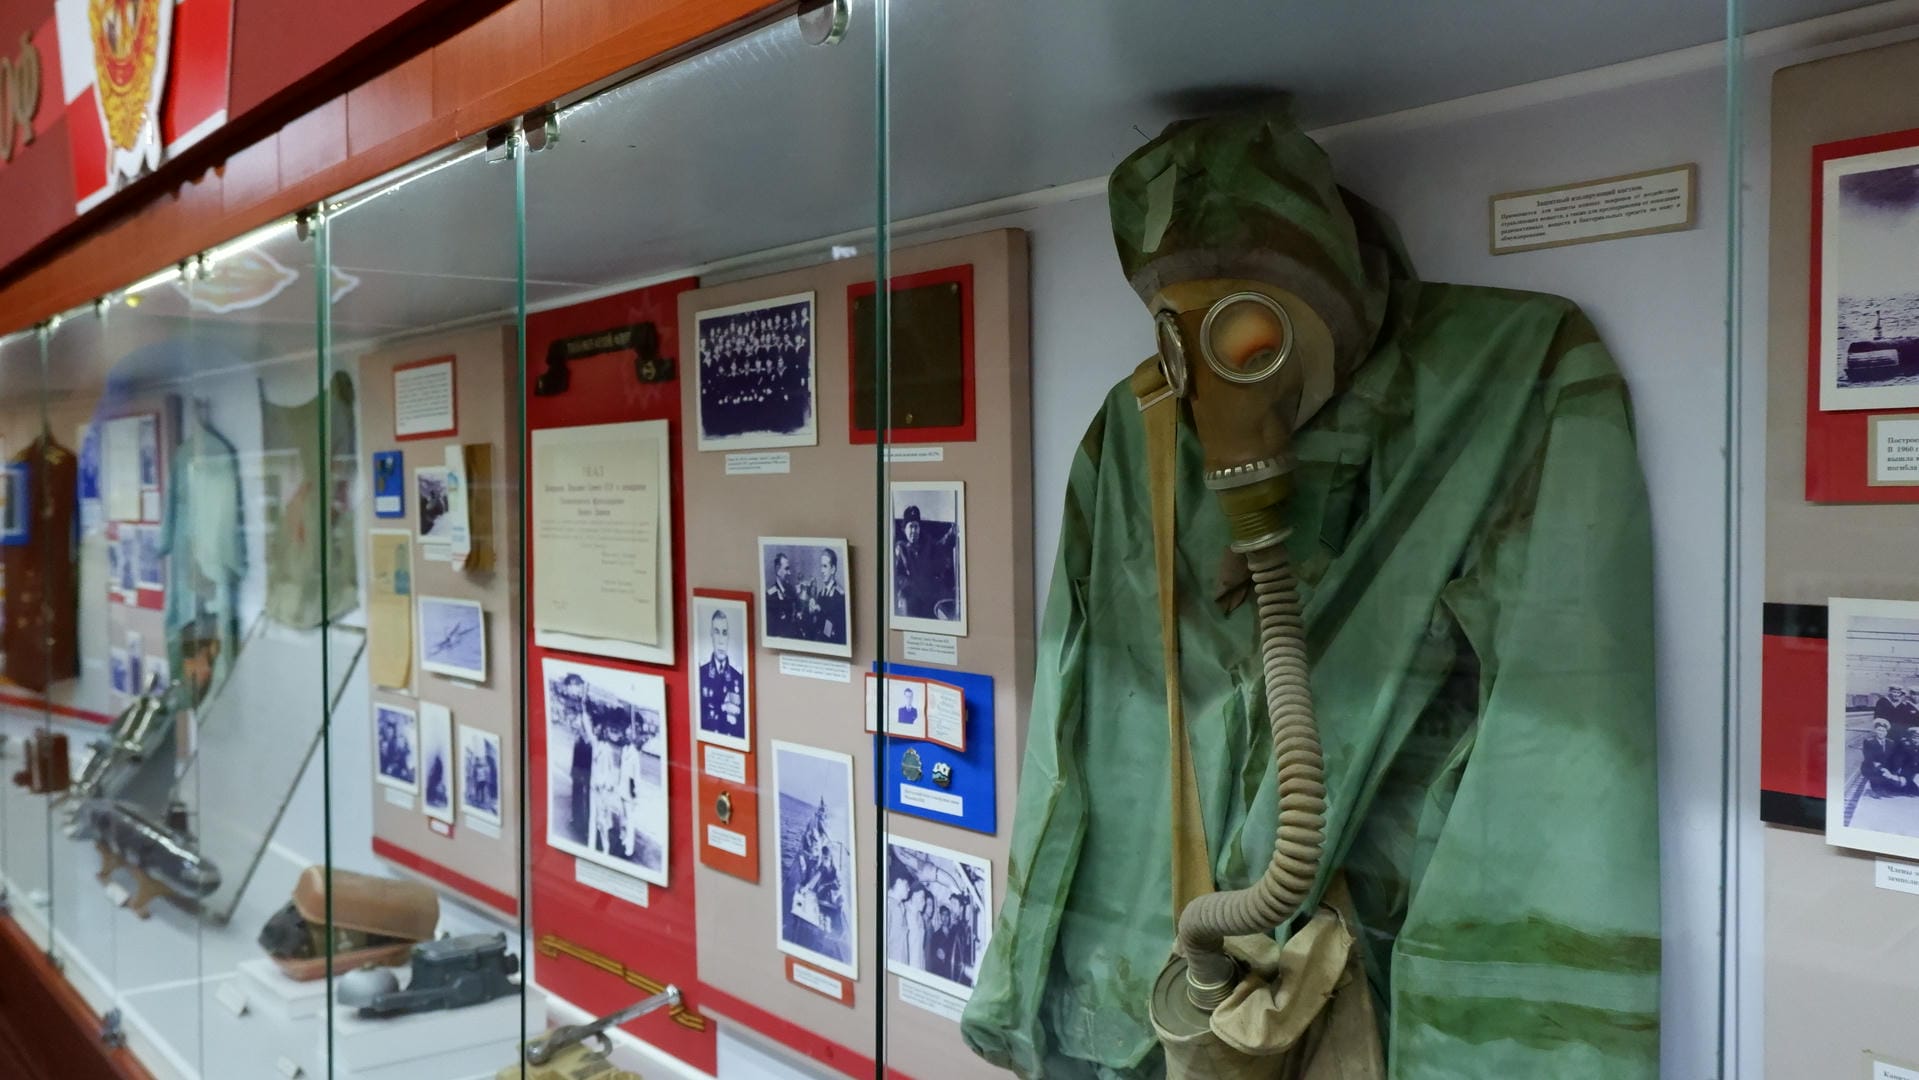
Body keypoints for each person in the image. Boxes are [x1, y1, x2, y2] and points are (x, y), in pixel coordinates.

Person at [894, 504, 956, 620]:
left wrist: (952, 532)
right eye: (911, 526)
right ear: (905, 529)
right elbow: (898, 576)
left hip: (930, 601)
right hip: (911, 603)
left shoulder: (928, 544)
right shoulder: (901, 549)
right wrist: (911, 588)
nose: (914, 530)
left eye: (916, 526)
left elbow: (942, 546)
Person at [700, 610, 745, 740]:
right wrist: (722, 707)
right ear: (711, 635)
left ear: (728, 637)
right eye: (717, 632)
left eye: (724, 633)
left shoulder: (739, 678)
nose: (721, 641)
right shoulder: (700, 674)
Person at [620, 718, 649, 861]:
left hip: (630, 792)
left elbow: (637, 777)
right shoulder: (624, 750)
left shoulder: (634, 754)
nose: (626, 736)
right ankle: (624, 840)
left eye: (628, 735)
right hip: (622, 789)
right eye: (626, 734)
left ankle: (629, 848)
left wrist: (636, 794)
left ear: (632, 737)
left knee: (630, 820)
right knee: (624, 818)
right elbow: (622, 772)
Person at [807, 548, 847, 645]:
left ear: (833, 569)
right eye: (821, 566)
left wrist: (820, 611)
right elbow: (815, 626)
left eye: (825, 566)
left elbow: (833, 631)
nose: (821, 571)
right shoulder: (821, 594)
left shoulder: (840, 595)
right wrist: (811, 613)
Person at [590, 721, 618, 854]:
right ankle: (602, 840)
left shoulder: (607, 749)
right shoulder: (596, 746)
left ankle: (606, 845)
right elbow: (594, 767)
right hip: (596, 785)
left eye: (598, 730)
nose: (596, 731)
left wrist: (610, 783)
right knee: (599, 816)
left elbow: (611, 768)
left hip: (605, 786)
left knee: (603, 816)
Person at [1863, 718, 1908, 795]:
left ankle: (1887, 786)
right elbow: (1869, 757)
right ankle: (1876, 787)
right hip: (1873, 767)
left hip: (1887, 768)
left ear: (1886, 732)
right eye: (1879, 730)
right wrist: (1881, 768)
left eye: (1883, 731)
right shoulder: (1869, 742)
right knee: (1878, 785)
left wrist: (1896, 769)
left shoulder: (1891, 742)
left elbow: (1894, 757)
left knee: (1896, 784)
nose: (1881, 733)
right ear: (1875, 731)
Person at [765, 553, 796, 639]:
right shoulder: (770, 596)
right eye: (786, 569)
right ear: (778, 569)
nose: (789, 573)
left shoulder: (791, 591)